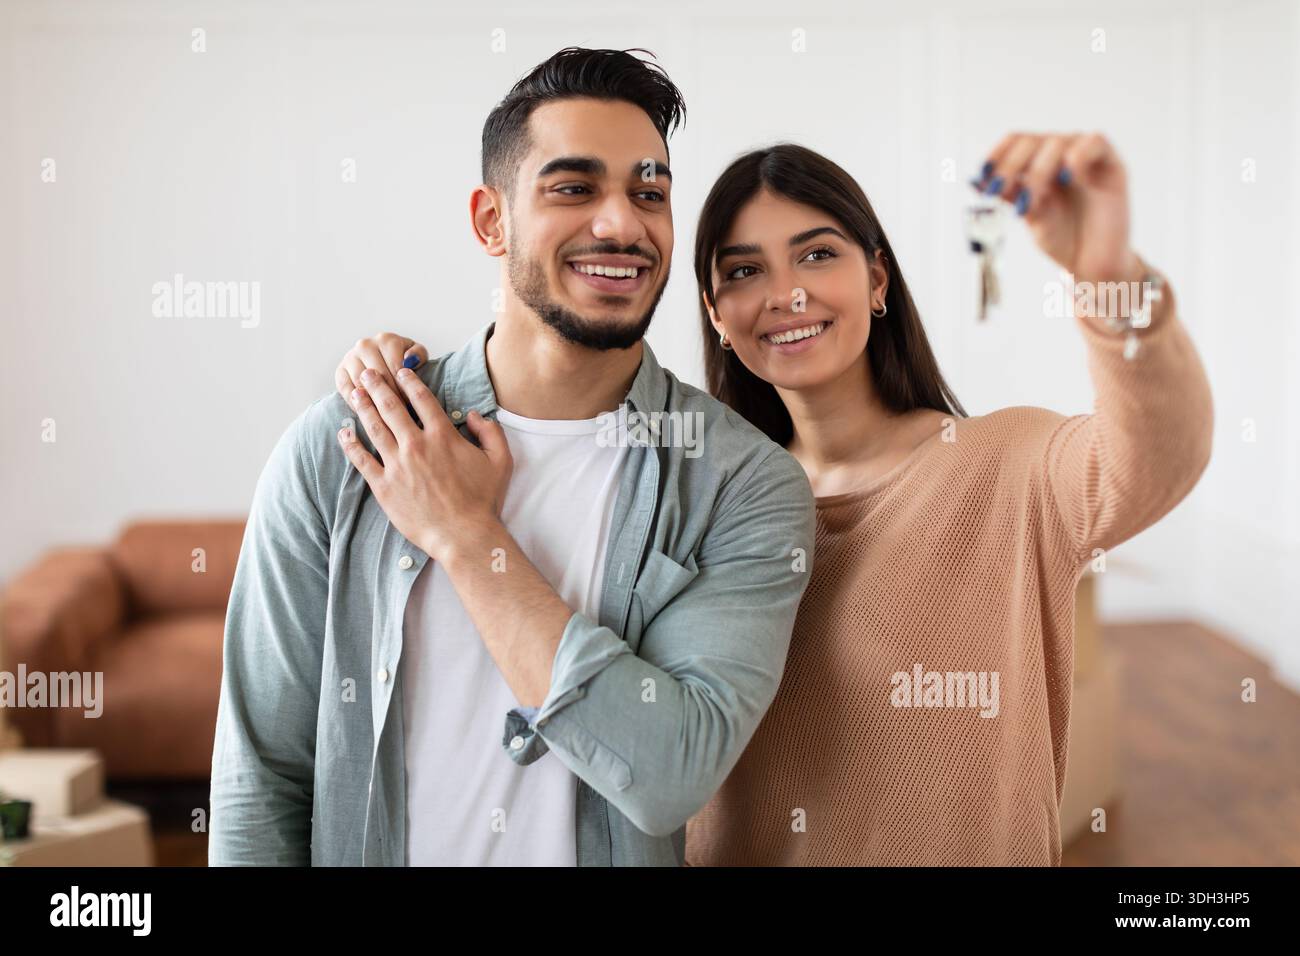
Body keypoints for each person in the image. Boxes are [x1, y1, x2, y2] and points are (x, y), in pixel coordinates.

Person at [343, 134, 1212, 864]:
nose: (785, 293)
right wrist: (407, 372)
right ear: (716, 314)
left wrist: (1110, 278)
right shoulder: (706, 497)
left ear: (878, 281)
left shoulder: (1007, 464)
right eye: (744, 270)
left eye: (818, 254)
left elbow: (1160, 455)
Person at [209, 47, 816, 867]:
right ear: (492, 221)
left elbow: (671, 773)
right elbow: (264, 778)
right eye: (574, 188)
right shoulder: (342, 446)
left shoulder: (743, 484)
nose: (621, 224)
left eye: (649, 194)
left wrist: (465, 534)